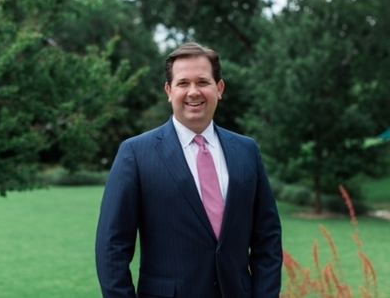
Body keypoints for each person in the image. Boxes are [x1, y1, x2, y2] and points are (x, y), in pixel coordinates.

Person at [95, 42, 282, 298]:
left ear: (219, 88)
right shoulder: (135, 154)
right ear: (169, 91)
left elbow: (268, 239)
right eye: (183, 83)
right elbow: (111, 248)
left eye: (203, 82)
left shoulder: (247, 150)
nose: (193, 92)